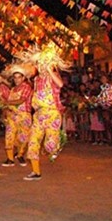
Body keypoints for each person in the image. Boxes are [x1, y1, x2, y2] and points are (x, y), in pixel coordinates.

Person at [23, 44, 67, 180]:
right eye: (40, 64)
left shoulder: (52, 77)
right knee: (32, 142)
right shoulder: (36, 80)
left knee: (50, 145)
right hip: (38, 115)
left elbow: (60, 84)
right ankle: (36, 172)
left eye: (44, 64)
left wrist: (50, 70)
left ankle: (54, 147)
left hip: (52, 114)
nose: (41, 67)